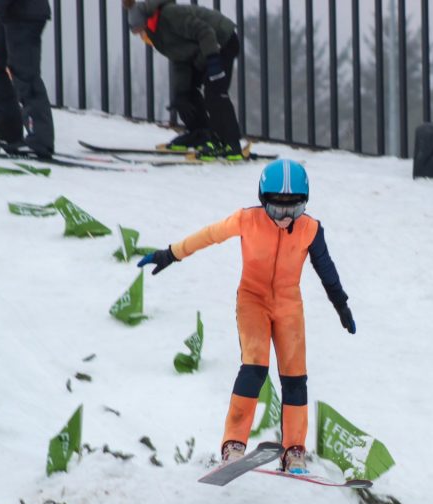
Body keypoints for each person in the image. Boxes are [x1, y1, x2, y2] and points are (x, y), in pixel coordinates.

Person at [137, 160, 356, 473]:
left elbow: (326, 269)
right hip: (252, 300)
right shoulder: (247, 220)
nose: (284, 217)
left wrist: (341, 305)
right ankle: (233, 444)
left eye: (292, 210)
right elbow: (208, 235)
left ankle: (294, 449)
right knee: (254, 368)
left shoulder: (310, 229)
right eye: (276, 209)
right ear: (262, 201)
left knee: (295, 377)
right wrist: (171, 253)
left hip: (288, 304)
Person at [123, 0, 245, 160]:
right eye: (138, 34)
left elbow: (205, 31)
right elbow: (180, 59)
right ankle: (201, 134)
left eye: (142, 31)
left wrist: (214, 61)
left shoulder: (171, 15)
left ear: (148, 22)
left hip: (222, 42)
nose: (142, 37)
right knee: (184, 94)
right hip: (203, 51)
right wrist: (181, 93)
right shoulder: (158, 37)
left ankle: (230, 144)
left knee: (215, 91)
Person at [0, 0, 55, 159]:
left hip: (26, 15)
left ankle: (39, 141)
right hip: (8, 13)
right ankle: (6, 130)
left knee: (26, 76)